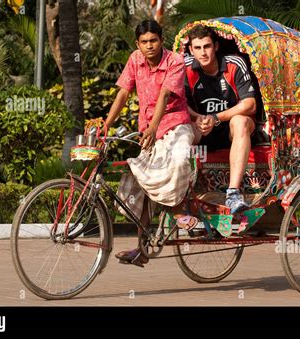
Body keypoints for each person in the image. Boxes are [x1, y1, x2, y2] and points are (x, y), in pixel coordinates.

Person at [104, 19, 194, 267]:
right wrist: (106, 123)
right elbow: (123, 92)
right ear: (138, 44)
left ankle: (178, 208)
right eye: (144, 42)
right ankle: (142, 249)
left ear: (161, 40)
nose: (149, 46)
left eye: (153, 40)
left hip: (176, 124)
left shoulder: (174, 61)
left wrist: (155, 127)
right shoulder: (135, 59)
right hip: (148, 130)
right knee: (142, 184)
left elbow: (166, 94)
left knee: (178, 158)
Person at [184, 25, 257, 214]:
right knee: (181, 130)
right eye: (198, 48)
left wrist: (216, 118)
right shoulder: (185, 69)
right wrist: (198, 118)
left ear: (215, 46)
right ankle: (179, 193)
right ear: (191, 50)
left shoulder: (234, 64)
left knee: (240, 121)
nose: (203, 52)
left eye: (207, 46)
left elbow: (250, 104)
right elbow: (178, 103)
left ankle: (233, 193)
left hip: (232, 129)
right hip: (202, 127)